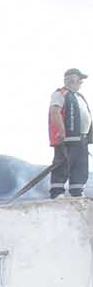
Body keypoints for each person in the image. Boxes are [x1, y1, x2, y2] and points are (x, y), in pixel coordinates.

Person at [50, 68, 92, 198]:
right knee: (63, 165)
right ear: (70, 79)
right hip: (67, 139)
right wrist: (61, 131)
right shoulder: (60, 94)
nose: (80, 82)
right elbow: (55, 112)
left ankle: (77, 192)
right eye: (78, 79)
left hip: (82, 139)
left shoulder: (79, 97)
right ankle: (57, 193)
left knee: (81, 166)